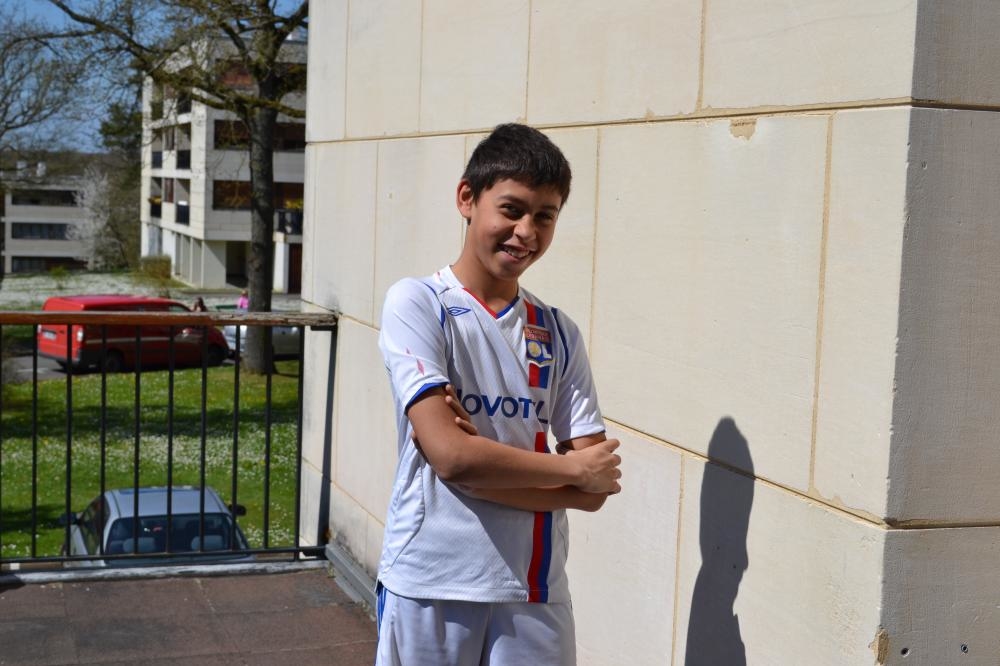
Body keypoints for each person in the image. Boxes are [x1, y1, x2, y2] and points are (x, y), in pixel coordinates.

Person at [375, 123, 622, 666]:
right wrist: (567, 471)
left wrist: (481, 472)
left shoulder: (558, 331)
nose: (526, 232)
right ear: (467, 198)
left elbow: (596, 488)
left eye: (545, 216)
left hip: (535, 589)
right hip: (431, 580)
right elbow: (452, 457)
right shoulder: (418, 303)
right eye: (511, 209)